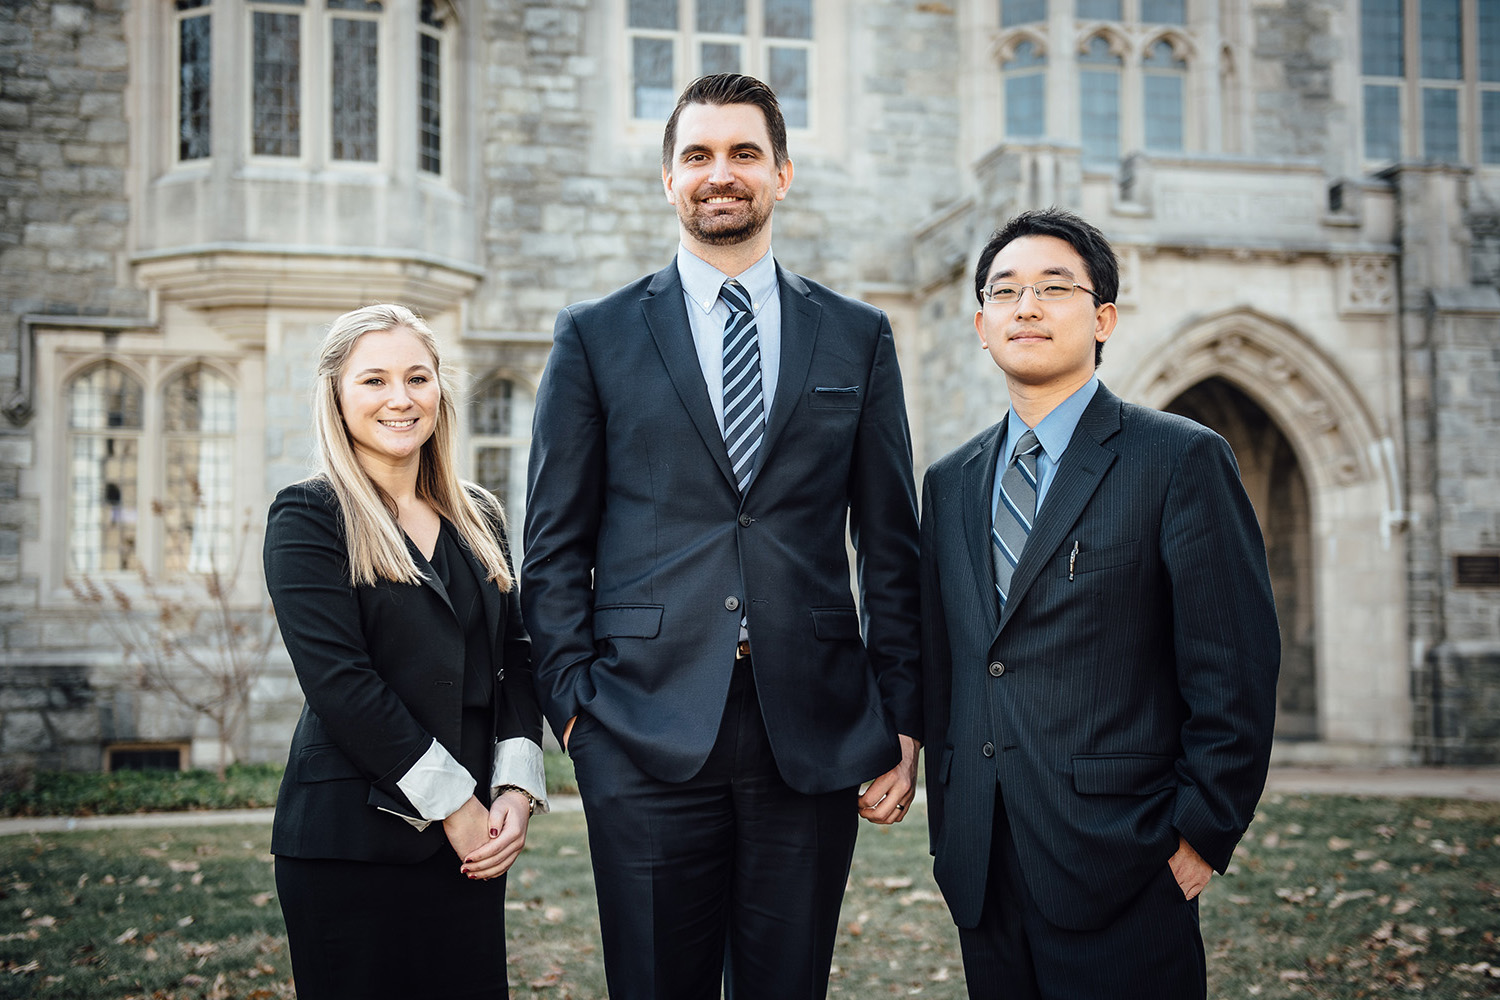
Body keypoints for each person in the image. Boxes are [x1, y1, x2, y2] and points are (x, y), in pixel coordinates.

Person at [522, 73, 922, 999]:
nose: (721, 173)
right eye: (698, 155)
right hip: (640, 727)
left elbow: (891, 544)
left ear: (783, 173)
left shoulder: (857, 337)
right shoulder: (595, 336)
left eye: (744, 153)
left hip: (814, 733)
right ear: (668, 179)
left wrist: (901, 719)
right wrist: (577, 712)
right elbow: (552, 545)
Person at [919, 208, 1280, 999]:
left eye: (1055, 288)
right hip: (983, 863)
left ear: (1103, 316)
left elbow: (1236, 666)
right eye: (1005, 292)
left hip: (1127, 860)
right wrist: (948, 823)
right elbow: (950, 661)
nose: (1027, 307)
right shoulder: (949, 484)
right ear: (981, 325)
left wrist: (1203, 833)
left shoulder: (1179, 458)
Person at [263, 303, 548, 1000]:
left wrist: (513, 788)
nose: (400, 399)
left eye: (418, 377)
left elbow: (517, 657)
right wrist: (455, 805)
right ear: (336, 394)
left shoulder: (478, 514)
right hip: (348, 846)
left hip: (470, 848)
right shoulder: (308, 516)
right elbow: (342, 684)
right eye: (374, 381)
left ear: (440, 390)